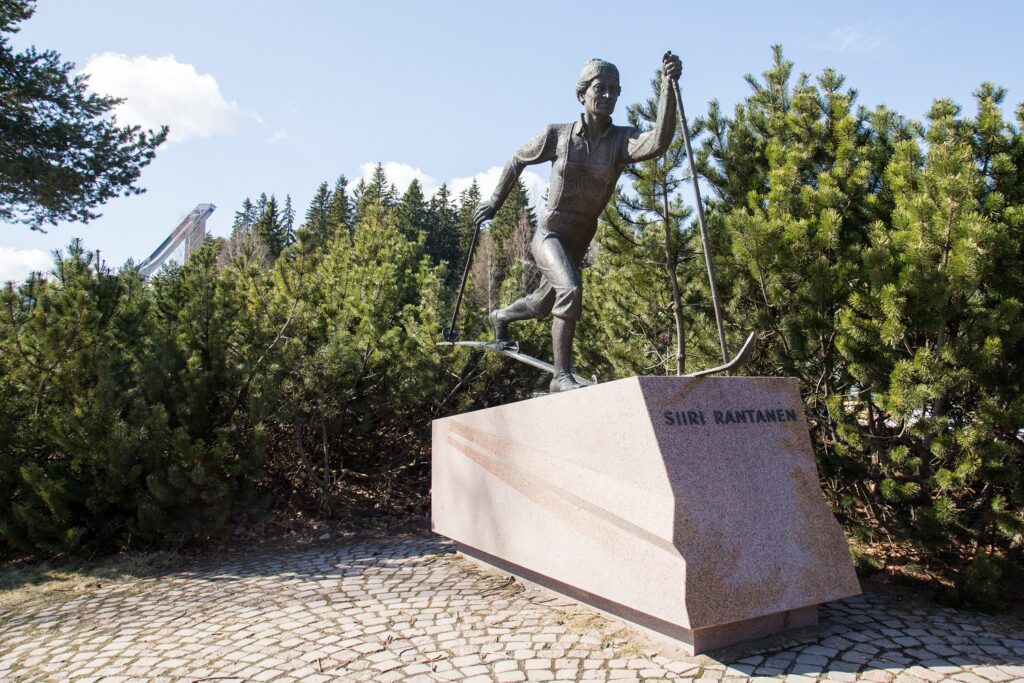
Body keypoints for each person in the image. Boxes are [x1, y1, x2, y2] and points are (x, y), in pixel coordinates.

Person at [473, 52, 682, 392]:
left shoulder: (620, 141)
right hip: (550, 234)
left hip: (580, 236)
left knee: (544, 304)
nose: (609, 96)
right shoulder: (558, 135)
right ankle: (561, 377)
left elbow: (659, 141)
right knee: (569, 290)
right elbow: (516, 158)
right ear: (582, 93)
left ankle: (500, 317)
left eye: (615, 90)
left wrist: (668, 89)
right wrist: (494, 202)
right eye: (601, 88)